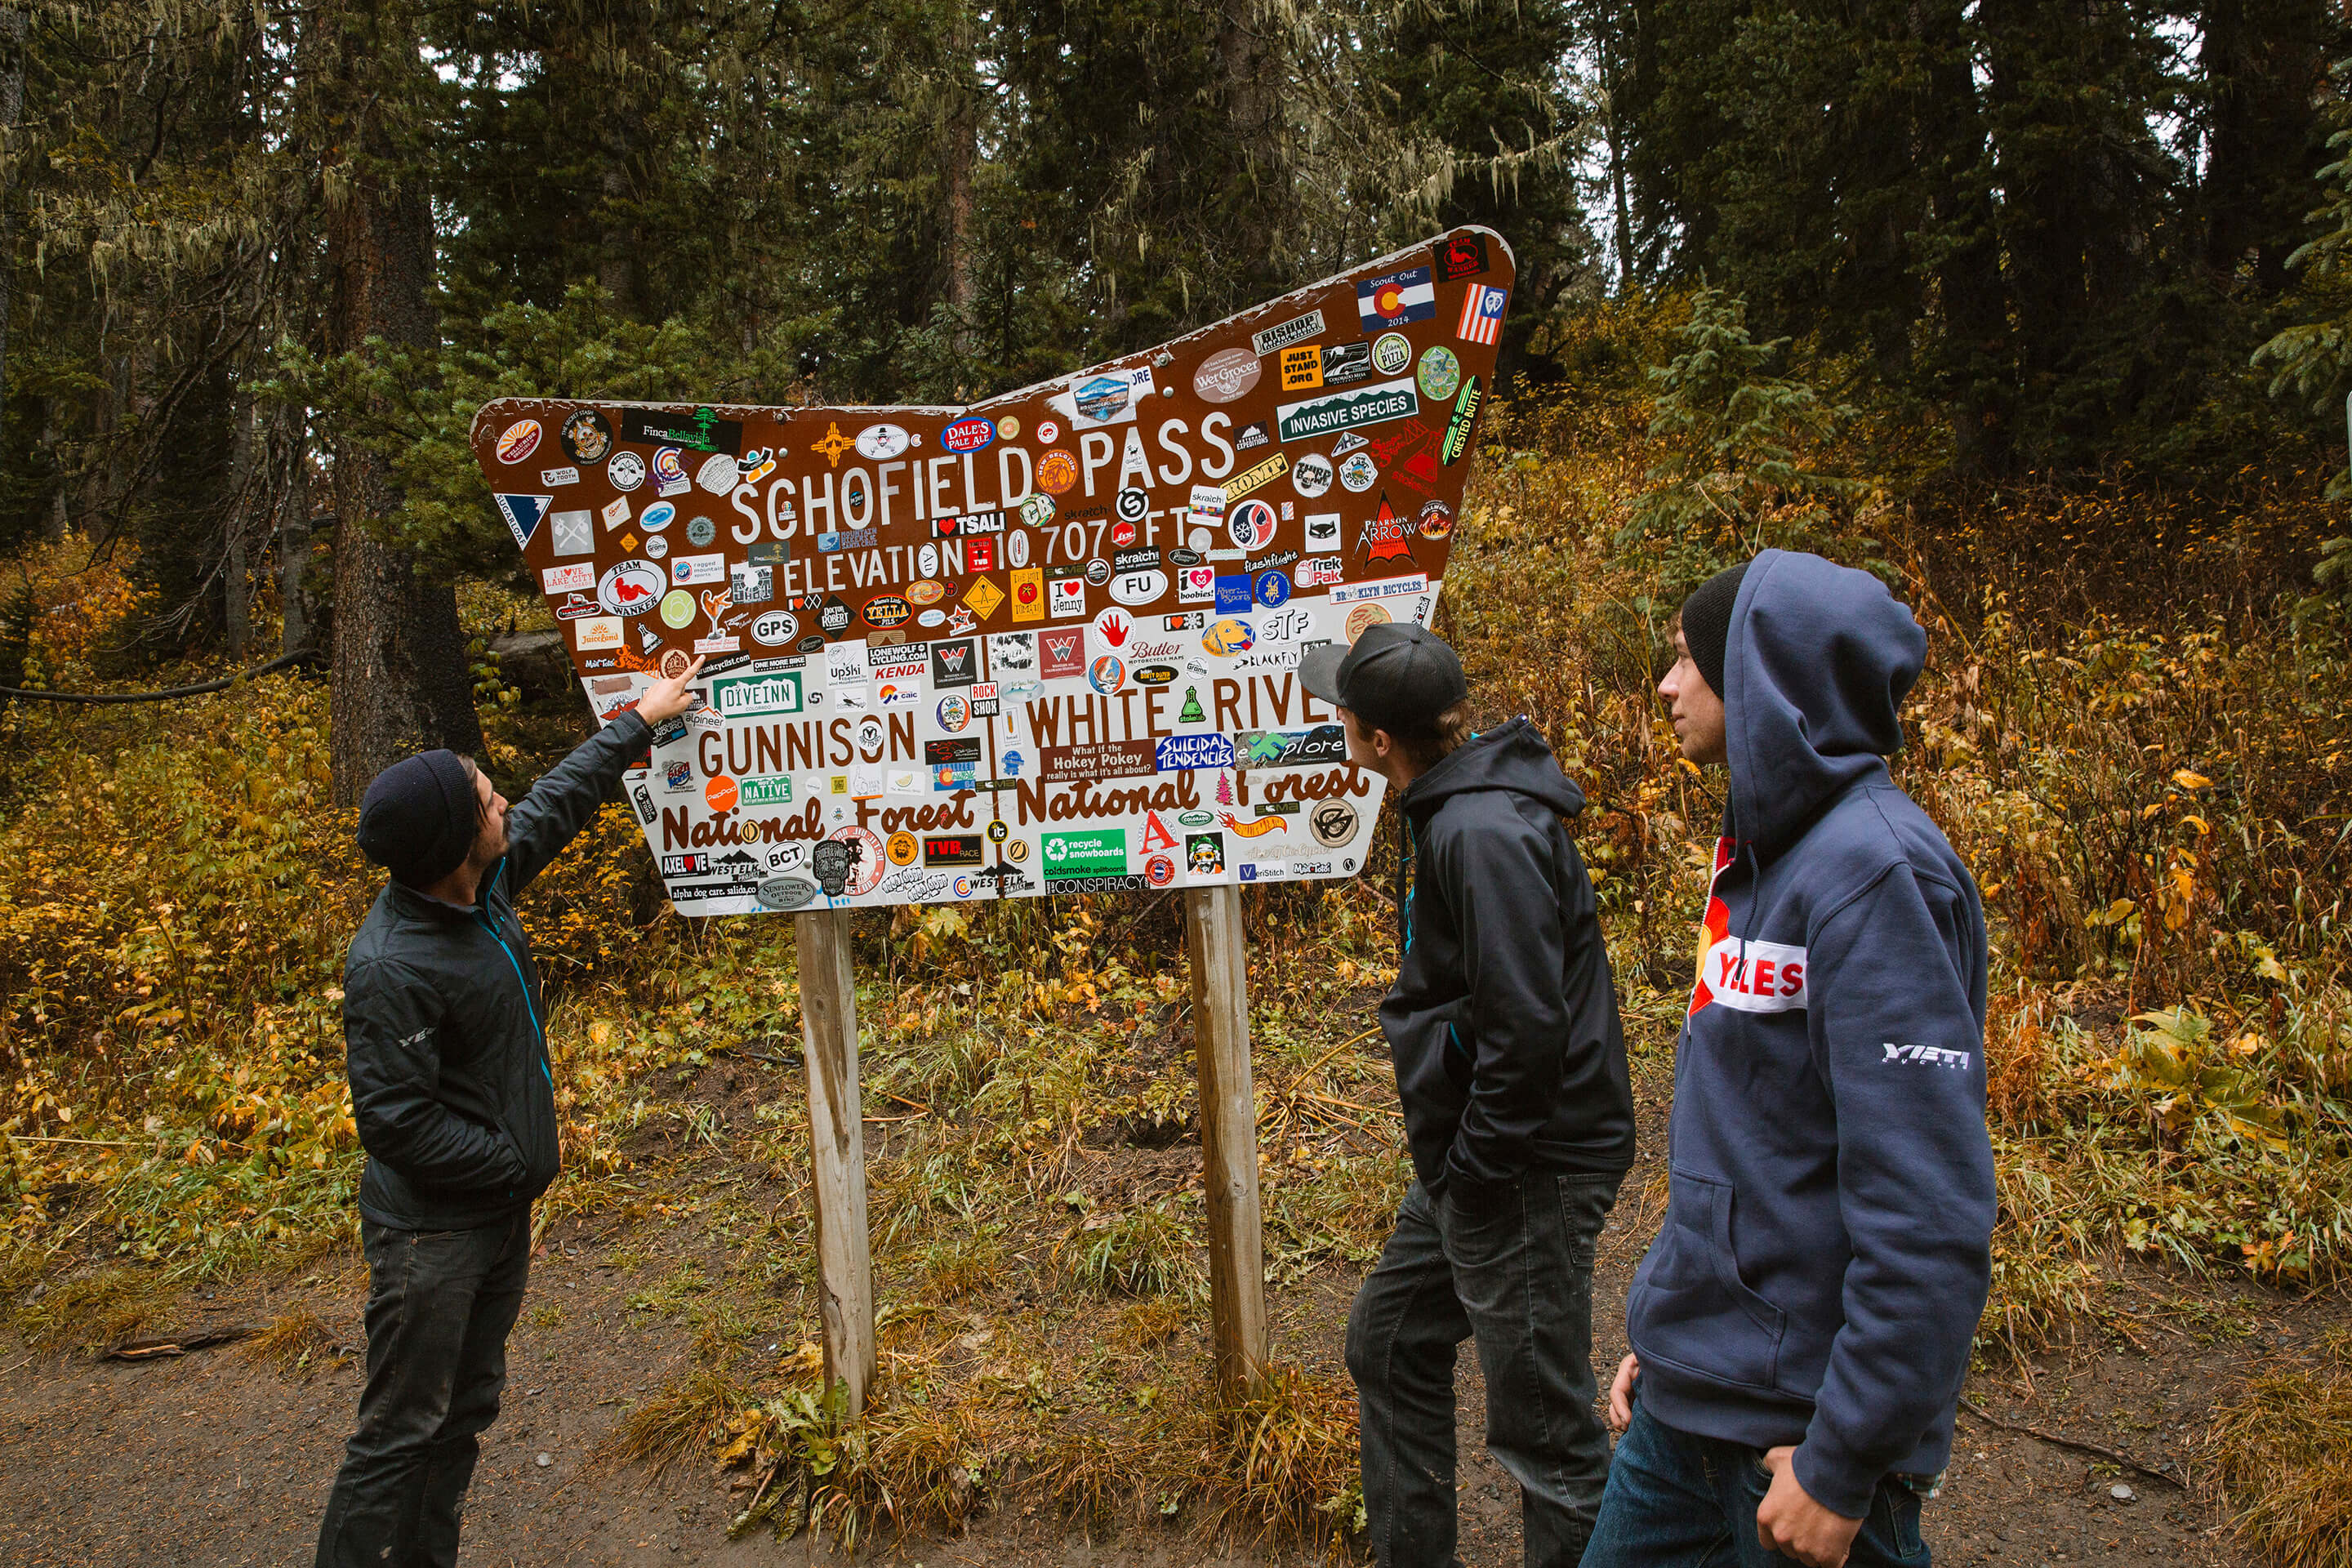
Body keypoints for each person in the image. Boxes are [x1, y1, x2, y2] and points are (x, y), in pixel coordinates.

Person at [1583, 551, 1994, 1568]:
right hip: (1693, 1404)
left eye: (1690, 660)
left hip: (1798, 1440)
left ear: (1764, 679)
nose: (1667, 686)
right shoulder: (1767, 852)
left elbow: (1928, 1207)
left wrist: (1844, 1460)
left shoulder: (1876, 874)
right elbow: (1753, 1137)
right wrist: (1676, 1342)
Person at [314, 656, 704, 1568]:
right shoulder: (393, 965)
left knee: (463, 1414)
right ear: (457, 841)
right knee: (399, 1431)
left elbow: (557, 801)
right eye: (490, 800)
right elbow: (396, 1124)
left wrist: (640, 720)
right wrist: (513, 1163)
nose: (506, 805)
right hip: (432, 1240)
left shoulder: (477, 889)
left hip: (493, 1217)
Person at [1305, 622, 1637, 1568]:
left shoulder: (1480, 832)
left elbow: (1526, 1029)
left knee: (1546, 1437)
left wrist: (1477, 1170)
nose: (1336, 720)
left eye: (1344, 712)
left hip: (1526, 1163)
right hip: (1481, 1155)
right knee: (1389, 1338)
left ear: (1377, 739)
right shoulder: (1452, 803)